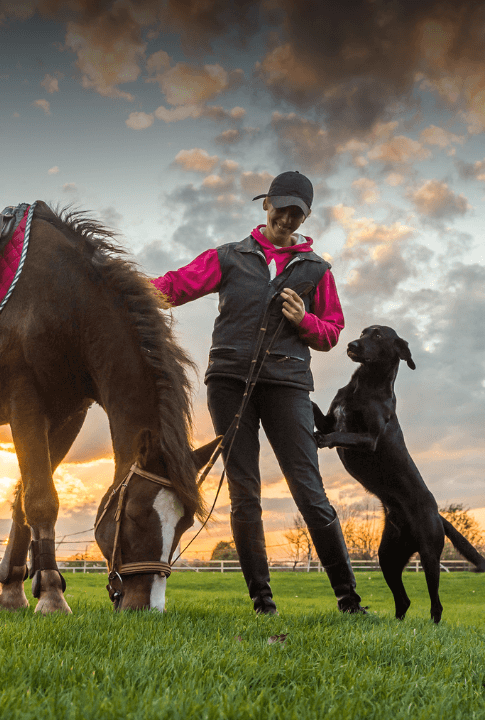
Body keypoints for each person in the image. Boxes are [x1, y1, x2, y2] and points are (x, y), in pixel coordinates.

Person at [151, 170, 364, 615]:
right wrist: (123, 288)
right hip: (229, 384)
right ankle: (262, 603)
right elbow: (175, 286)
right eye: (280, 208)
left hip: (288, 385)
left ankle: (349, 601)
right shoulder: (228, 257)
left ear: (306, 216)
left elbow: (331, 333)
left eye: (296, 213)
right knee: (244, 491)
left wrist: (304, 320)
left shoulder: (317, 270)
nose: (286, 219)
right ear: (266, 204)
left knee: (309, 489)